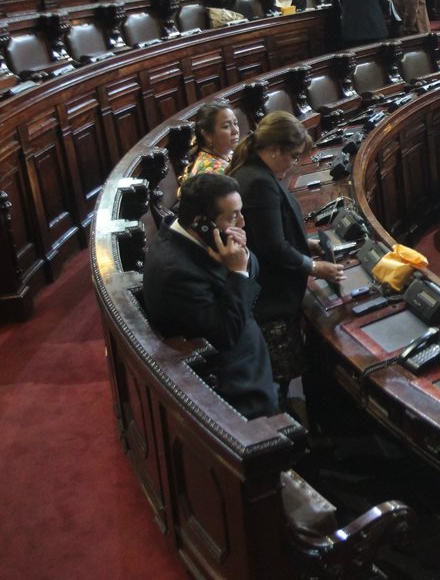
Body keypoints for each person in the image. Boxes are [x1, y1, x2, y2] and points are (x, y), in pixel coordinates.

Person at [227, 112, 344, 403]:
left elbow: (271, 232)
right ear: (274, 149)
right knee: (278, 380)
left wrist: (305, 244)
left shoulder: (256, 171)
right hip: (271, 298)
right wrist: (314, 266)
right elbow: (272, 247)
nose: (293, 165)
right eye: (292, 157)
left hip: (272, 290)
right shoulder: (258, 182)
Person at [142, 173, 279, 419]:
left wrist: (242, 260)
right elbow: (225, 334)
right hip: (236, 389)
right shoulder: (176, 272)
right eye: (233, 216)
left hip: (248, 356)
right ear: (202, 222)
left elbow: (252, 270)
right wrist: (236, 272)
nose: (243, 222)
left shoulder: (190, 233)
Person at [182, 99, 240, 178]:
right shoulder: (214, 173)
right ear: (208, 135)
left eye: (235, 123)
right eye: (226, 126)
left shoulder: (224, 154)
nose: (235, 131)